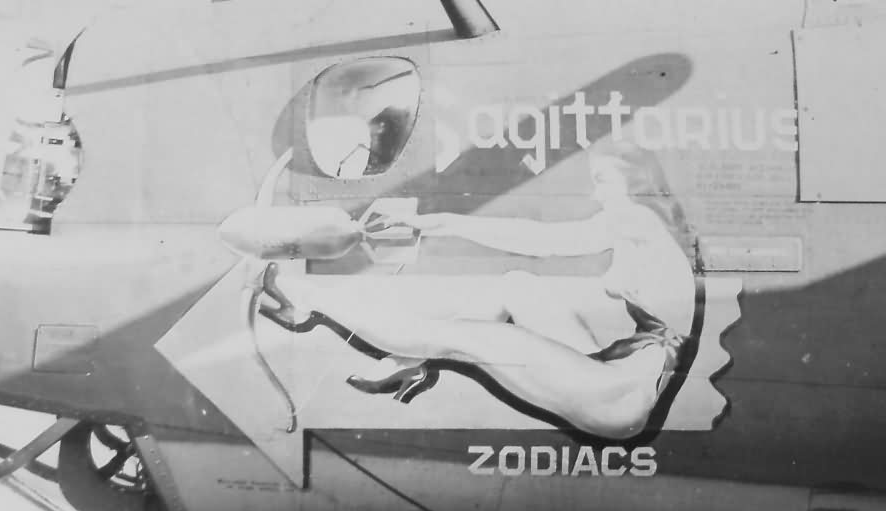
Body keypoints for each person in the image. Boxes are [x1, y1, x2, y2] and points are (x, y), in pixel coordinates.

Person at [256, 142, 701, 441]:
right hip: (613, 374)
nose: (597, 193)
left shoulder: (638, 219)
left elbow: (540, 241)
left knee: (466, 337)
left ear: (637, 183)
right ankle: (412, 362)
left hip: (615, 398)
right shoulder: (650, 234)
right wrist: (437, 223)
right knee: (517, 287)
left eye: (603, 181)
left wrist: (439, 222)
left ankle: (307, 297)